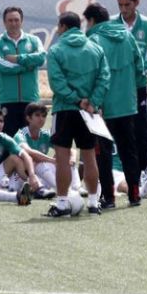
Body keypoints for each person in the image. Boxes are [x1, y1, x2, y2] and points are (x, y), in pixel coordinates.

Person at [45, 11, 110, 217]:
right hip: (88, 112)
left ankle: (63, 203)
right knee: (89, 156)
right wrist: (92, 101)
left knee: (62, 158)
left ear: (63, 26)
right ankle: (93, 202)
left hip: (65, 109)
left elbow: (56, 82)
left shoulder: (56, 50)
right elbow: (104, 78)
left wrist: (75, 99)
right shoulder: (95, 48)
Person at [83, 3, 143, 208]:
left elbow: (92, 75)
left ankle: (109, 197)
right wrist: (135, 92)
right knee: (129, 151)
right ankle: (135, 194)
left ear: (91, 20)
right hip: (127, 104)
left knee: (103, 153)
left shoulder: (93, 40)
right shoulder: (127, 35)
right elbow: (139, 65)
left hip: (103, 107)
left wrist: (93, 102)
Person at [112, 0, 147, 183]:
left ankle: (143, 171)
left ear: (137, 3)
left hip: (138, 87)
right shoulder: (110, 24)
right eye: (120, 5)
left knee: (140, 128)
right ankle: (116, 170)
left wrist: (145, 69)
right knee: (115, 128)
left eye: (127, 5)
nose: (123, 9)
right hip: (115, 88)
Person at [0, 7, 46, 136]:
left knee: (30, 138)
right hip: (7, 99)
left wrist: (18, 59)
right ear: (4, 22)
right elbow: (0, 65)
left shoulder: (34, 40)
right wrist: (26, 66)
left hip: (31, 98)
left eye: (16, 20)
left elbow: (41, 57)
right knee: (8, 138)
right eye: (10, 20)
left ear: (22, 21)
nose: (13, 23)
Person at [13, 103, 59, 198]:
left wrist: (68, 158)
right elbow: (29, 152)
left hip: (39, 174)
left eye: (44, 116)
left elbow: (68, 150)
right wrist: (52, 160)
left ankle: (75, 188)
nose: (41, 119)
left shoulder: (46, 134)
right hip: (21, 175)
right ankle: (57, 189)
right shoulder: (20, 134)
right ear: (28, 118)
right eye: (37, 115)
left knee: (66, 160)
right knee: (38, 162)